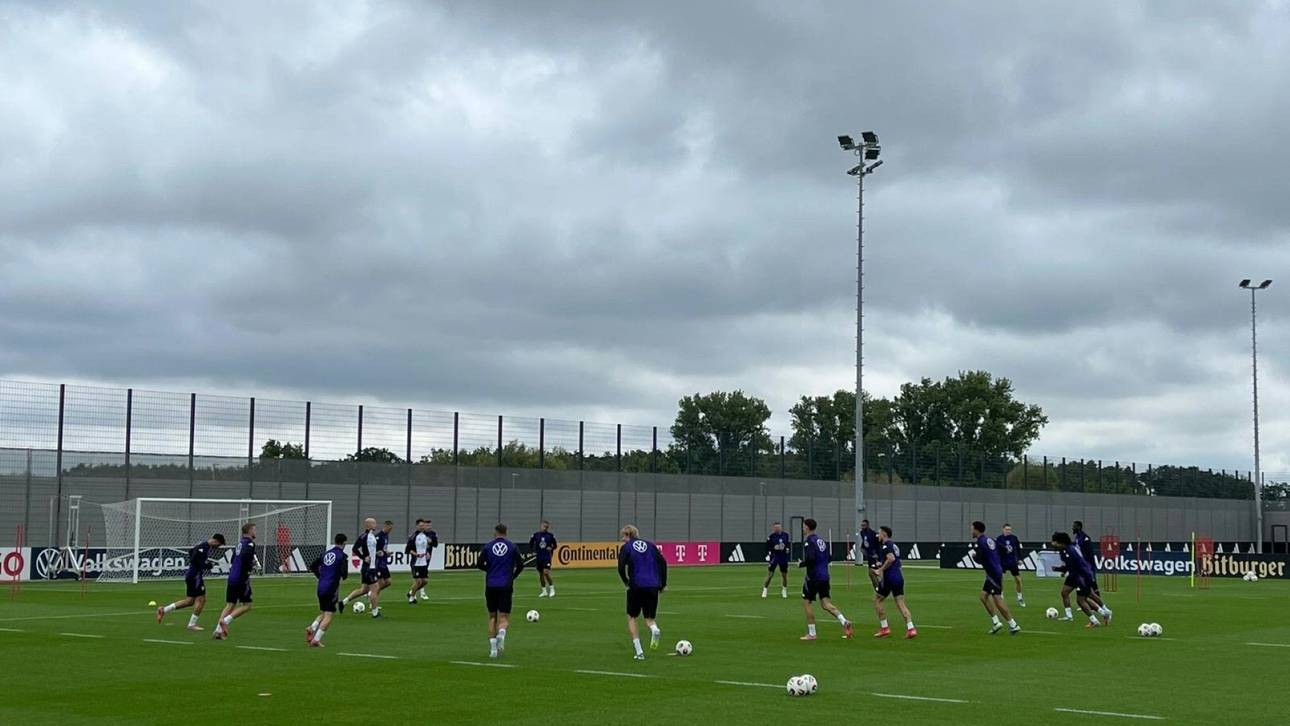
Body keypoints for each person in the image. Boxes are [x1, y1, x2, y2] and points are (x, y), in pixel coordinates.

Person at [799, 518, 854, 641]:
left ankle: (812, 633)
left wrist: (801, 564)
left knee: (807, 602)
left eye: (803, 526)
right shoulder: (821, 541)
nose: (803, 528)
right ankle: (844, 621)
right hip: (824, 576)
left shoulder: (809, 541)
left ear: (807, 527)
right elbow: (829, 558)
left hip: (813, 577)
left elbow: (810, 558)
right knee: (825, 604)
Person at [617, 524, 667, 660]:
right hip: (653, 585)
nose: (622, 539)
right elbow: (663, 563)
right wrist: (663, 584)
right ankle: (654, 629)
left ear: (628, 535)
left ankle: (639, 652)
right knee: (649, 619)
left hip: (636, 585)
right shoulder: (650, 545)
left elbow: (621, 567)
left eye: (624, 536)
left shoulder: (626, 548)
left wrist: (626, 581)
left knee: (632, 617)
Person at [156, 533, 225, 630]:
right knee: (201, 599)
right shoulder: (203, 547)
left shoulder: (203, 546)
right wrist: (206, 565)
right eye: (218, 545)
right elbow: (195, 558)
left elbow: (191, 552)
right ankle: (192, 624)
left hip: (192, 574)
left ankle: (164, 610)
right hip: (195, 576)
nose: (217, 547)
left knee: (190, 601)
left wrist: (205, 564)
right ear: (215, 541)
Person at [478, 523, 524, 658]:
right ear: (506, 532)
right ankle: (502, 635)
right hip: (505, 584)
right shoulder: (512, 547)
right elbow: (520, 565)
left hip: (491, 584)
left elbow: (479, 564)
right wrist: (512, 576)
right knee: (504, 616)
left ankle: (493, 650)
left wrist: (490, 570)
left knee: (492, 616)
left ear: (495, 532)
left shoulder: (487, 547)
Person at [1053, 531, 1113, 625]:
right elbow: (1070, 566)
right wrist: (1061, 570)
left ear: (1061, 542)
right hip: (1075, 575)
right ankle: (1070, 616)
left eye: (1054, 542)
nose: (1053, 544)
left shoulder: (1070, 551)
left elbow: (1076, 566)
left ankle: (1096, 619)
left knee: (1081, 600)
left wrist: (1059, 569)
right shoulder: (1065, 550)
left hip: (1081, 576)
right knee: (1065, 592)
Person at [971, 521, 1020, 635]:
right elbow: (1005, 549)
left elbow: (980, 559)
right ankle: (996, 622)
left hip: (993, 573)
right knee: (983, 596)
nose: (971, 531)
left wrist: (975, 557)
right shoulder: (990, 539)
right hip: (995, 571)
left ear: (977, 530)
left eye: (972, 529)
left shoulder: (981, 542)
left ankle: (1013, 625)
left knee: (997, 599)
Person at [212, 523, 258, 640]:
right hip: (241, 578)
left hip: (232, 576)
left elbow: (233, 558)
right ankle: (225, 621)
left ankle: (217, 631)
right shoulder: (250, 544)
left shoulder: (239, 543)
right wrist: (251, 566)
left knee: (230, 605)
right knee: (247, 605)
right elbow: (246, 558)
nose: (255, 532)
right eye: (254, 530)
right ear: (249, 531)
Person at [870, 526, 916, 639]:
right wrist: (881, 564)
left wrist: (880, 570)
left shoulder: (886, 545)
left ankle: (884, 628)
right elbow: (896, 562)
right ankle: (911, 628)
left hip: (889, 578)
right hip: (898, 577)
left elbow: (891, 559)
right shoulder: (894, 546)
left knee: (877, 600)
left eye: (880, 533)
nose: (878, 535)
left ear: (884, 534)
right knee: (900, 603)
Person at [306, 533, 349, 647]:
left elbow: (312, 566)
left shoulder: (325, 554)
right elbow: (344, 574)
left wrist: (320, 576)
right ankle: (316, 639)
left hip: (320, 587)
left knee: (324, 612)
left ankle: (312, 627)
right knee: (329, 614)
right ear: (344, 543)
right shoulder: (342, 556)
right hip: (332, 588)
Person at [341, 518, 378, 615]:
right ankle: (375, 612)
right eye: (373, 523)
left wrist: (378, 553)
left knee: (364, 590)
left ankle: (343, 602)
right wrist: (363, 557)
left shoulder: (371, 536)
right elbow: (355, 548)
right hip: (368, 568)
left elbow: (371, 551)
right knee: (375, 588)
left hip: (371, 567)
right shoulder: (364, 536)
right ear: (368, 525)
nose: (375, 524)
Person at [406, 518, 437, 604]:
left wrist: (426, 553)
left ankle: (410, 593)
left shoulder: (425, 536)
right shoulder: (413, 536)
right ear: (417, 526)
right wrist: (416, 554)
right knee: (418, 581)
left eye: (423, 525)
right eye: (420, 525)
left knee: (425, 581)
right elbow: (408, 550)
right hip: (416, 562)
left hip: (424, 562)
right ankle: (412, 597)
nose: (422, 527)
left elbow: (427, 546)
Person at [1072, 521, 1102, 598]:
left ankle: (1100, 605)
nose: (1073, 528)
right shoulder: (1077, 537)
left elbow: (1089, 553)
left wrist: (1089, 565)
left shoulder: (1085, 538)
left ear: (1079, 527)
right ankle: (1085, 602)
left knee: (1092, 583)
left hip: (1087, 565)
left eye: (1074, 526)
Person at [998, 524, 1025, 608]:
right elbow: (997, 550)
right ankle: (1001, 596)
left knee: (1018, 580)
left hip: (1012, 562)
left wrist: (1020, 559)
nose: (1008, 531)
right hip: (1003, 562)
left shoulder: (1014, 538)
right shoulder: (999, 539)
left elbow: (1018, 549)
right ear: (1003, 530)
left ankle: (1020, 597)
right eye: (1006, 529)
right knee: (1000, 579)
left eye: (1009, 529)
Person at [762, 521, 791, 599]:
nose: (777, 529)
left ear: (781, 527)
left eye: (778, 527)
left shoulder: (786, 535)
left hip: (783, 557)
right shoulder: (771, 537)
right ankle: (765, 589)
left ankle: (784, 590)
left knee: (784, 575)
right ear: (773, 528)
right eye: (775, 528)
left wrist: (787, 549)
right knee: (770, 575)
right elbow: (767, 547)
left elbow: (787, 545)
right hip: (774, 557)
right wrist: (773, 548)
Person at [530, 520, 558, 598]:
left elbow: (555, 545)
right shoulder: (535, 535)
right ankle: (544, 591)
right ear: (540, 526)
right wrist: (533, 551)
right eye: (543, 526)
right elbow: (531, 544)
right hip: (539, 557)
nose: (545, 528)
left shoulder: (550, 536)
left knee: (546, 573)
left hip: (547, 557)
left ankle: (552, 589)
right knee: (541, 574)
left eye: (546, 527)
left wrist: (551, 547)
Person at [857, 519, 881, 588]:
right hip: (870, 557)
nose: (862, 527)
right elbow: (865, 542)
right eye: (861, 525)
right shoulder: (862, 533)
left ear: (867, 525)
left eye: (863, 525)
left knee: (873, 572)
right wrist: (862, 549)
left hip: (875, 556)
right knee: (872, 574)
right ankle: (879, 588)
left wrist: (877, 554)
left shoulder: (873, 534)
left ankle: (880, 589)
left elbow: (878, 544)